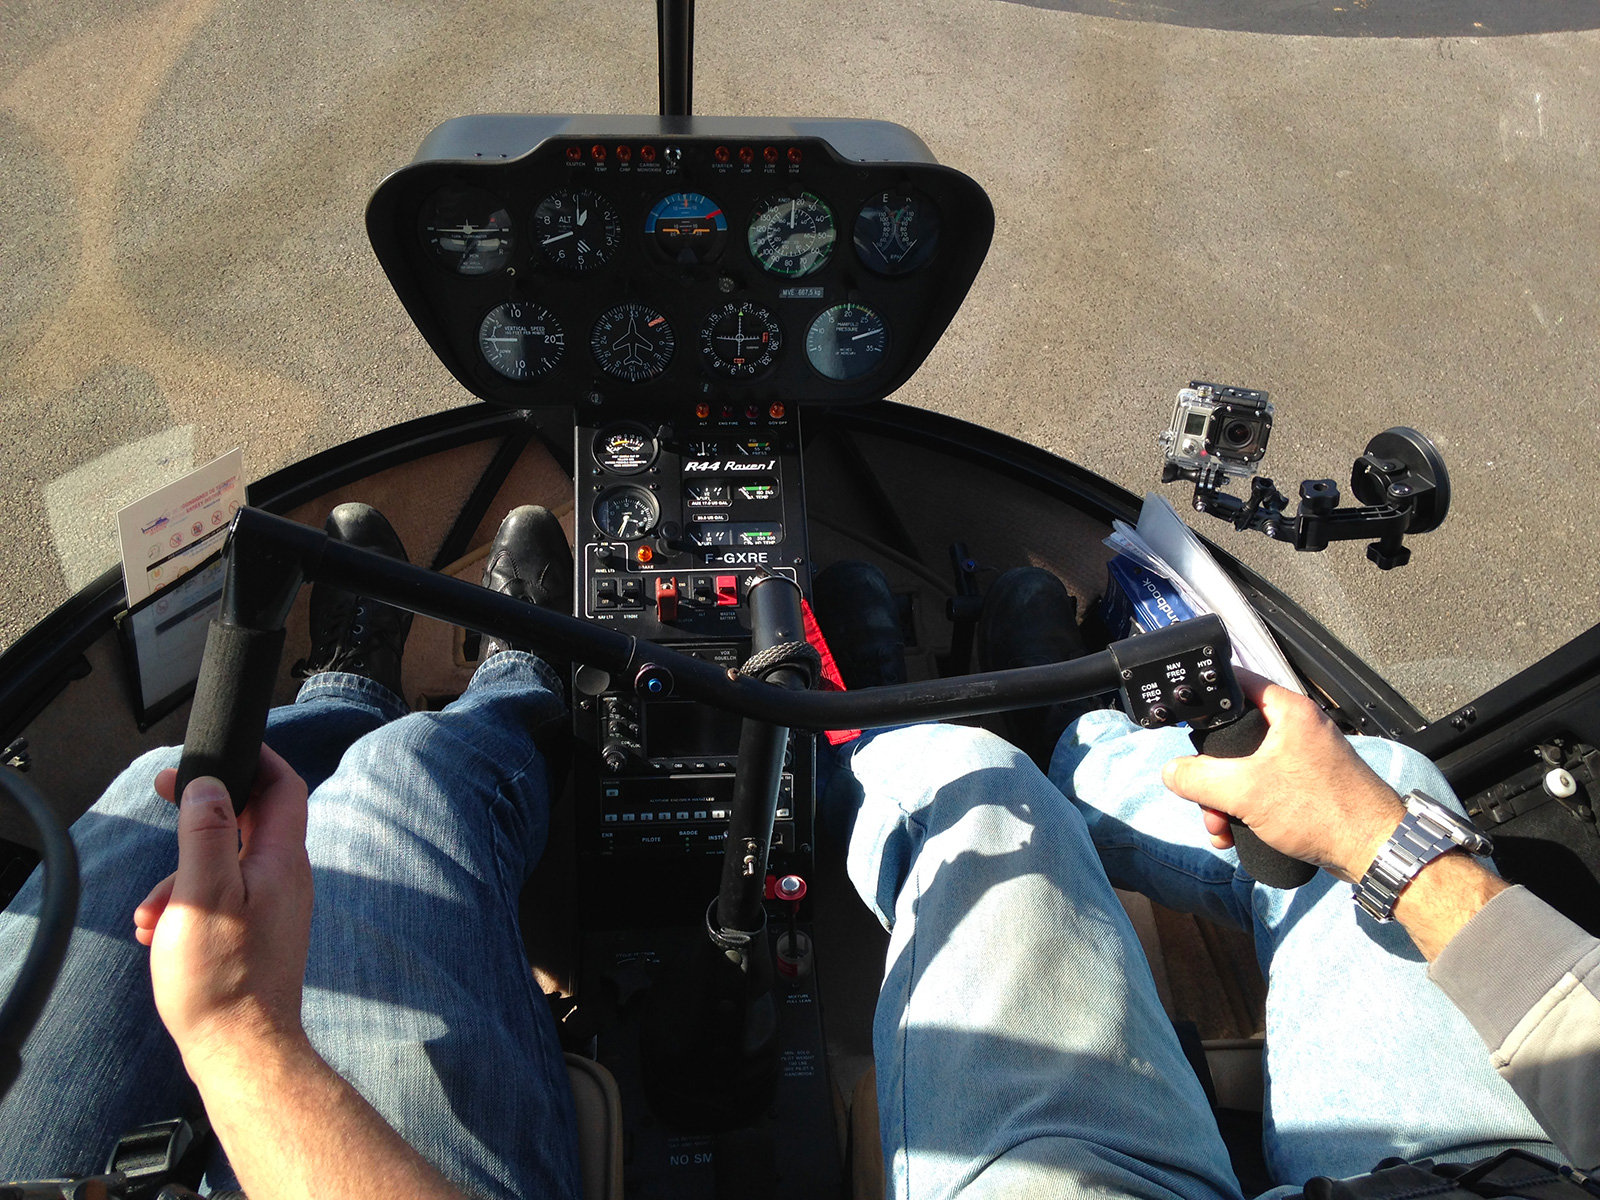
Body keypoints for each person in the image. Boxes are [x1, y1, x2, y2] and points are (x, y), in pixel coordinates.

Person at [2, 516, 1596, 1198]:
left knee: (325, 792)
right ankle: (1037, 716)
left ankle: (474, 696)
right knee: (1375, 777)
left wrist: (241, 1039)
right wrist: (1380, 846)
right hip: (1508, 1170)